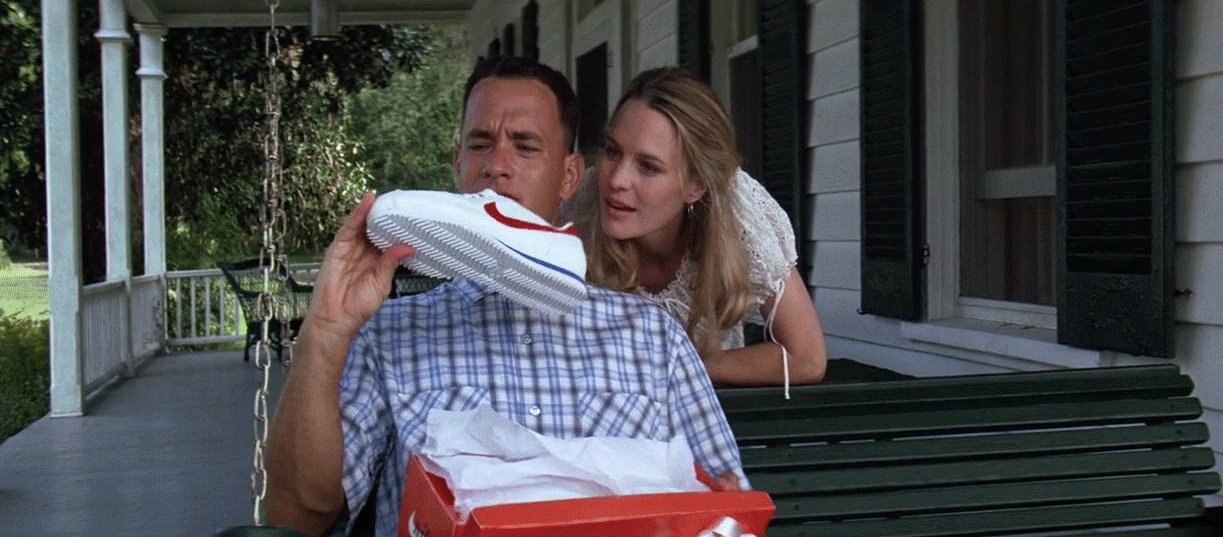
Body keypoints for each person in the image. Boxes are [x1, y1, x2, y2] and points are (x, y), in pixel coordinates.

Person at [264, 56, 746, 537]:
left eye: (525, 146)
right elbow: (296, 517)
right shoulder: (390, 334)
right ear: (457, 164)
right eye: (480, 145)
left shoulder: (652, 338)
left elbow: (730, 511)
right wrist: (326, 330)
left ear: (569, 177)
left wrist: (719, 510)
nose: (496, 166)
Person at [573, 67, 828, 392]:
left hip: (712, 409)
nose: (616, 180)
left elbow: (806, 358)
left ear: (697, 185)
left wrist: (678, 365)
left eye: (648, 167)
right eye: (613, 151)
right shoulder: (578, 209)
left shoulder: (739, 219)